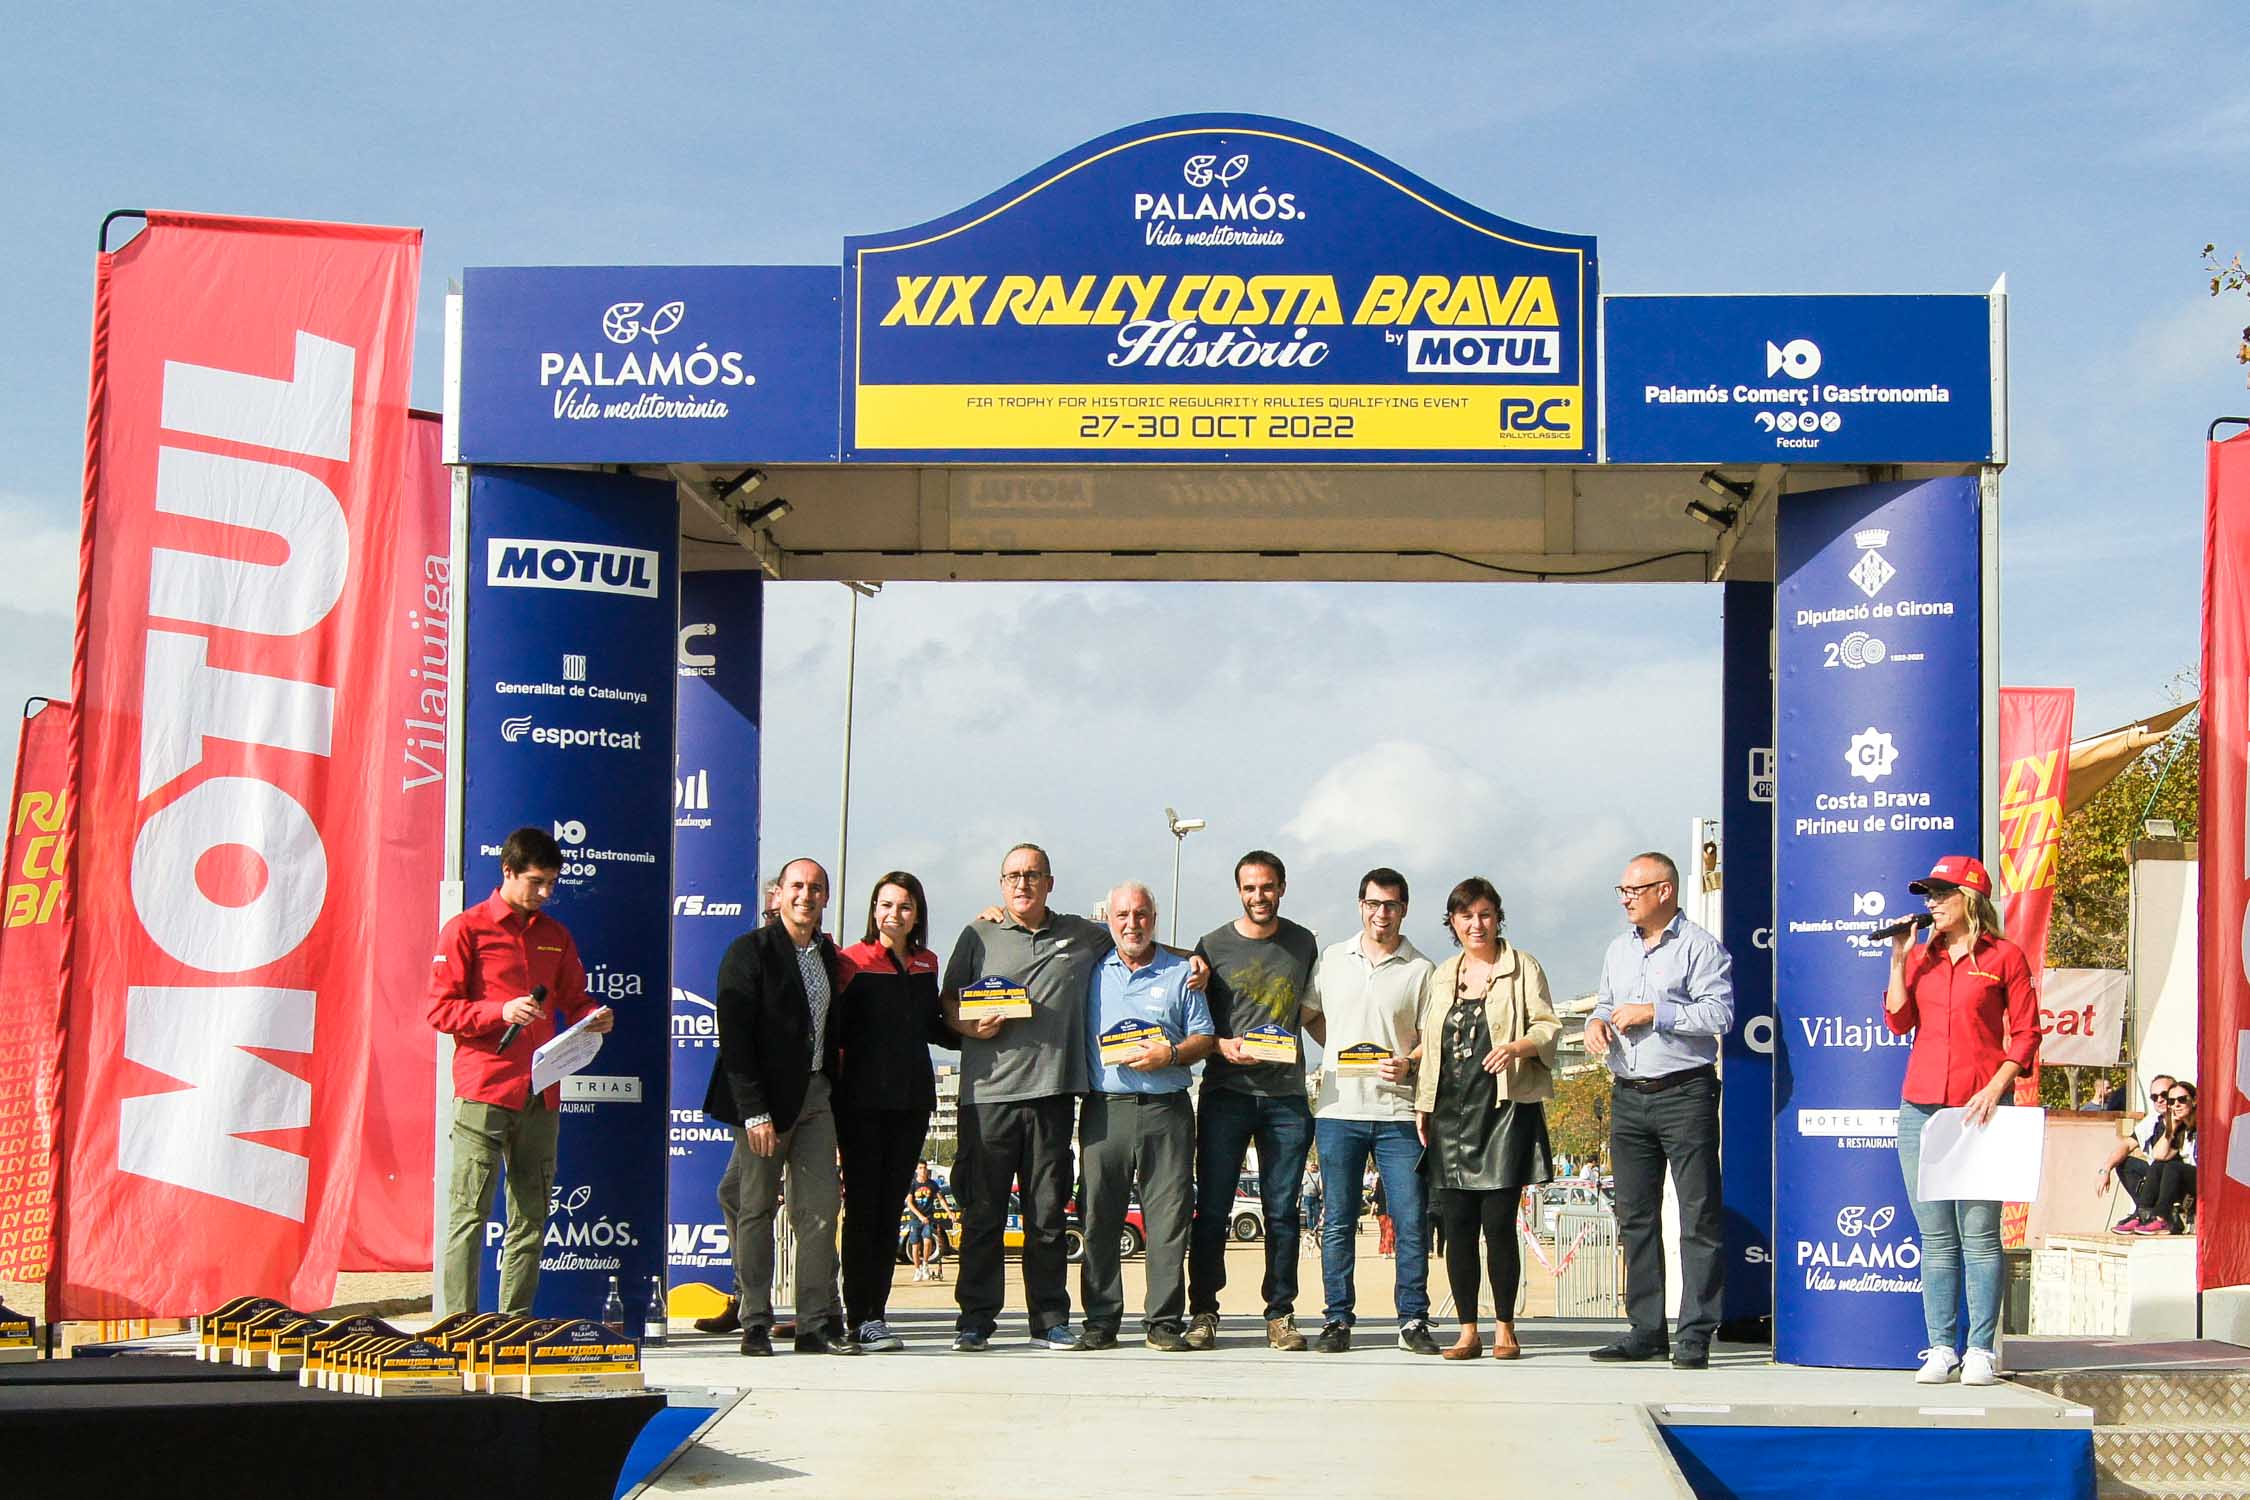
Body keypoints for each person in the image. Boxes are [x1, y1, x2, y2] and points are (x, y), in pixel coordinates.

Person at [428, 826, 616, 1318]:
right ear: (508, 871)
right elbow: (440, 1010)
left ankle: (515, 1324)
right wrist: (500, 1011)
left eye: (552, 883)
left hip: (542, 1091)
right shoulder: (466, 929)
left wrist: (593, 1016)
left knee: (532, 1215)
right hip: (484, 1089)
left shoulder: (555, 935)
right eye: (536, 882)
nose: (545, 893)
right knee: (469, 1213)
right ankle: (458, 1326)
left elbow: (575, 998)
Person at [940, 843, 1114, 1352]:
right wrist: (968, 1025)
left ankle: (1050, 1320)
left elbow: (1135, 941)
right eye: (1014, 875)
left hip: (1053, 1095)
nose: (1023, 883)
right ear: (1001, 883)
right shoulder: (978, 934)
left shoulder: (1083, 935)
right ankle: (975, 1320)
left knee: (1047, 1216)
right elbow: (947, 1002)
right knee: (983, 1216)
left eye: (1033, 875)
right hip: (986, 1098)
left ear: (1049, 883)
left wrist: (1194, 961)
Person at [1884, 854, 2039, 1387]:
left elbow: (2026, 1033)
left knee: (1979, 1234)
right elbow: (1898, 1019)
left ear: (1969, 898)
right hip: (1922, 1106)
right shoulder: (1922, 957)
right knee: (1936, 1237)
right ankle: (1940, 1347)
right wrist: (1899, 958)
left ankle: (1980, 1351)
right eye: (1927, 894)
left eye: (1940, 893)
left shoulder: (2004, 956)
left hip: (1981, 1106)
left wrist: (1998, 1086)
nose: (1930, 903)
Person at [702, 858, 860, 1356]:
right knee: (755, 1208)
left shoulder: (828, 955)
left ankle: (814, 1324)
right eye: (797, 886)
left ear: (826, 897)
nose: (805, 896)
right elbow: (735, 1039)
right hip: (763, 1103)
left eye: (815, 888)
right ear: (778, 894)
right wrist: (755, 1112)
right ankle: (754, 1320)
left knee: (819, 1211)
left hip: (815, 1096)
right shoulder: (748, 951)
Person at [1584, 851, 1734, 1370]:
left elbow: (1720, 1013)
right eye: (1622, 891)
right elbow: (1606, 1003)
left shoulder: (1700, 947)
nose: (1625, 900)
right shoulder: (1618, 949)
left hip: (1684, 1092)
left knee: (1697, 1216)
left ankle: (1695, 1332)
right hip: (1628, 1094)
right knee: (1635, 1217)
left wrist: (1655, 1012)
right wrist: (1595, 1023)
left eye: (1634, 890)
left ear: (1664, 891)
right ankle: (1646, 1329)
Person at [1416, 877, 1558, 1360]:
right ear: (1452, 923)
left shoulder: (1523, 967)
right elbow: (1432, 1042)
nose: (1476, 924)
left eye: (1485, 915)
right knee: (1456, 1227)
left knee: (1498, 1226)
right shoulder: (1442, 975)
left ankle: (1504, 1327)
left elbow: (1548, 1026)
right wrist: (1423, 1103)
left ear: (1498, 918)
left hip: (1503, 1111)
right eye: (1465, 916)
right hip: (1450, 1114)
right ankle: (1467, 1330)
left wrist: (1518, 1047)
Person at [1185, 850, 1320, 1352]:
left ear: (1281, 887)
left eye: (1266, 887)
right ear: (1238, 891)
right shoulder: (1211, 945)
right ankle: (1203, 1311)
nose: (1258, 896)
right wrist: (1221, 1046)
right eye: (1249, 888)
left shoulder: (1303, 942)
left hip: (1286, 1099)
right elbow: (1194, 1018)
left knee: (1282, 1212)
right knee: (1212, 1208)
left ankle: (1280, 1313)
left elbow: (1315, 1011)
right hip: (1226, 1094)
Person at [1303, 867, 1441, 1355]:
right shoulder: (1332, 959)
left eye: (1392, 905)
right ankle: (1337, 1318)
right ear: (1360, 905)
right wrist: (1338, 1047)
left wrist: (1410, 1063)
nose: (1382, 913)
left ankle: (1413, 1319)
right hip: (1339, 1109)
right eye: (1374, 903)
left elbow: (1432, 1039)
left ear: (1404, 909)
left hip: (1398, 1113)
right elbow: (1310, 1015)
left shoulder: (1422, 969)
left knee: (1410, 1219)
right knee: (1338, 1221)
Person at [1078, 882, 1214, 1350]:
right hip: (1105, 1110)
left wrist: (1170, 1054)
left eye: (1140, 915)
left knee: (1168, 1220)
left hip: (1166, 1110)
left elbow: (1204, 1037)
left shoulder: (1182, 973)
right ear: (1108, 920)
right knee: (1099, 1217)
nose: (1131, 924)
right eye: (1122, 915)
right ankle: (1100, 1320)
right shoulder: (1092, 970)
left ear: (1154, 919)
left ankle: (1163, 1321)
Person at [834, 872, 950, 1351]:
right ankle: (857, 1315)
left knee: (889, 1211)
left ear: (917, 913)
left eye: (904, 906)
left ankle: (875, 1315)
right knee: (864, 1210)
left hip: (911, 1102)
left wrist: (982, 1028)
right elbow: (835, 1034)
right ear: (873, 909)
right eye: (885, 905)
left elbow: (934, 1027)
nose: (894, 914)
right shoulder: (850, 962)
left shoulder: (927, 962)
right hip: (859, 1105)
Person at [2095, 1072, 2178, 1221]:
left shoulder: (2184, 1118)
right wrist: (2105, 1170)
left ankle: (2155, 1214)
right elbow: (2127, 1145)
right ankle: (2144, 1212)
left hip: (2180, 1179)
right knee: (2125, 1164)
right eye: (2154, 1097)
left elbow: (2161, 1156)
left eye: (2164, 1095)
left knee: (2162, 1166)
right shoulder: (2153, 1120)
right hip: (2159, 1176)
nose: (2159, 1100)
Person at [2118, 1082, 2198, 1234]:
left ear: (2194, 1100)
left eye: (2182, 1100)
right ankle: (2143, 1215)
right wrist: (2172, 1128)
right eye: (2172, 1102)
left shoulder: (2204, 1126)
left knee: (2172, 1167)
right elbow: (2159, 1155)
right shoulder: (2180, 1129)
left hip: (2205, 1182)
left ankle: (2162, 1218)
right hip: (2184, 1184)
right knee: (2158, 1165)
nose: (2176, 1105)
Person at [907, 1163, 943, 1280]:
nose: (923, 1170)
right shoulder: (913, 1184)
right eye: (920, 1168)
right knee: (915, 1246)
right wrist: (920, 1216)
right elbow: (909, 1203)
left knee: (927, 1241)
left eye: (925, 1168)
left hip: (928, 1218)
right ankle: (917, 1270)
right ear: (917, 1170)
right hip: (916, 1219)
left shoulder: (932, 1184)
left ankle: (925, 1265)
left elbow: (941, 1199)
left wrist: (949, 1212)